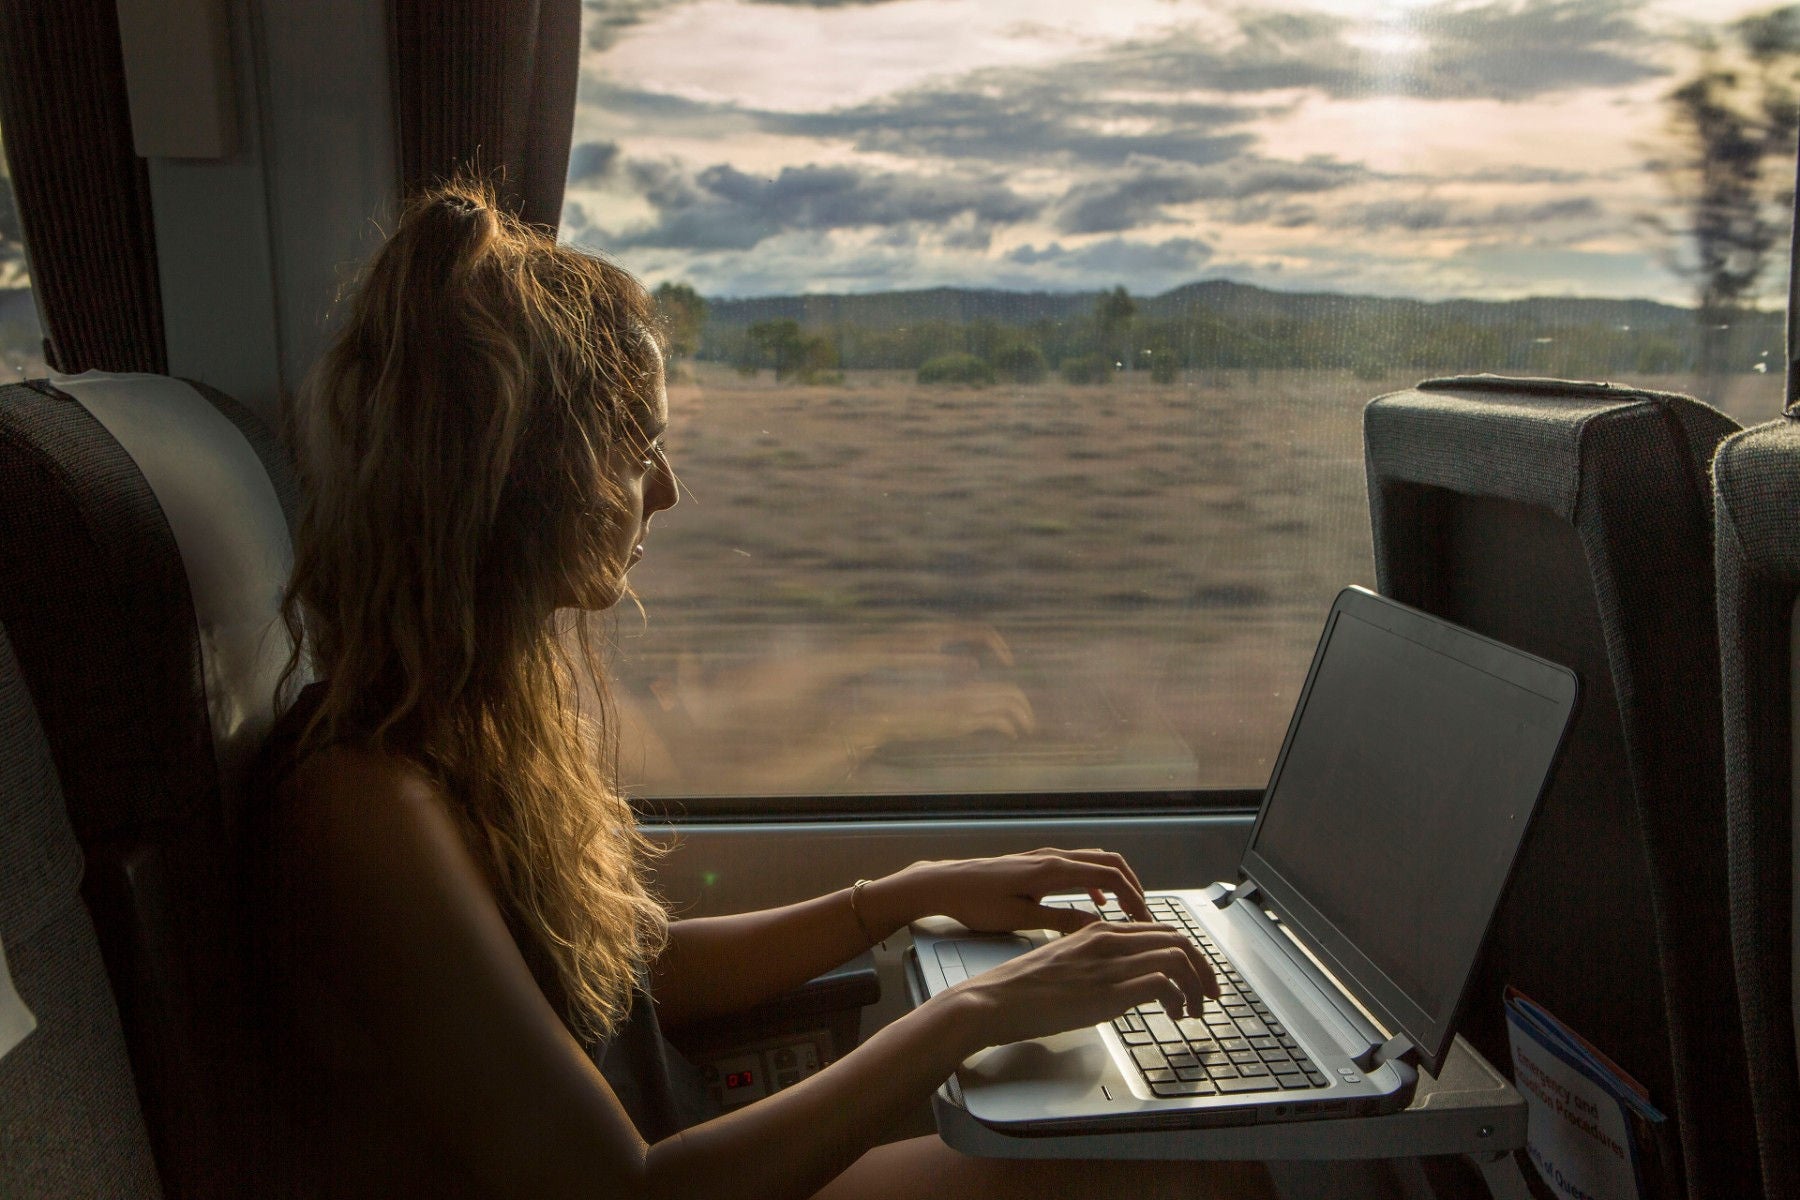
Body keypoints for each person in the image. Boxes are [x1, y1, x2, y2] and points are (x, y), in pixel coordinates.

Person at [248, 179, 1277, 1199]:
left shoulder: (467, 728)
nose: (668, 489)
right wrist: (972, 1012)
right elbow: (625, 1189)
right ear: (526, 473)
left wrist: (901, 897)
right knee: (1177, 1169)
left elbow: (620, 986)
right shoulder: (367, 808)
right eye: (636, 447)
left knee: (1163, 1143)